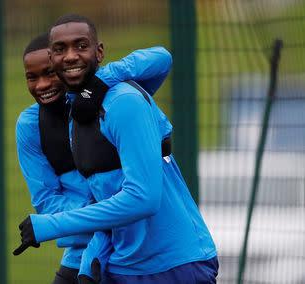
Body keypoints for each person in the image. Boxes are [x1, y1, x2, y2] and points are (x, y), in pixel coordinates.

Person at [15, 14, 218, 283]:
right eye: (60, 50)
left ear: (99, 52)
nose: (70, 56)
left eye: (81, 46)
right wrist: (89, 264)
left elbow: (142, 198)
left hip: (171, 264)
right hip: (115, 259)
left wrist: (50, 226)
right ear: (52, 59)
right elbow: (83, 197)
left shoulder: (122, 102)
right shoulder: (64, 116)